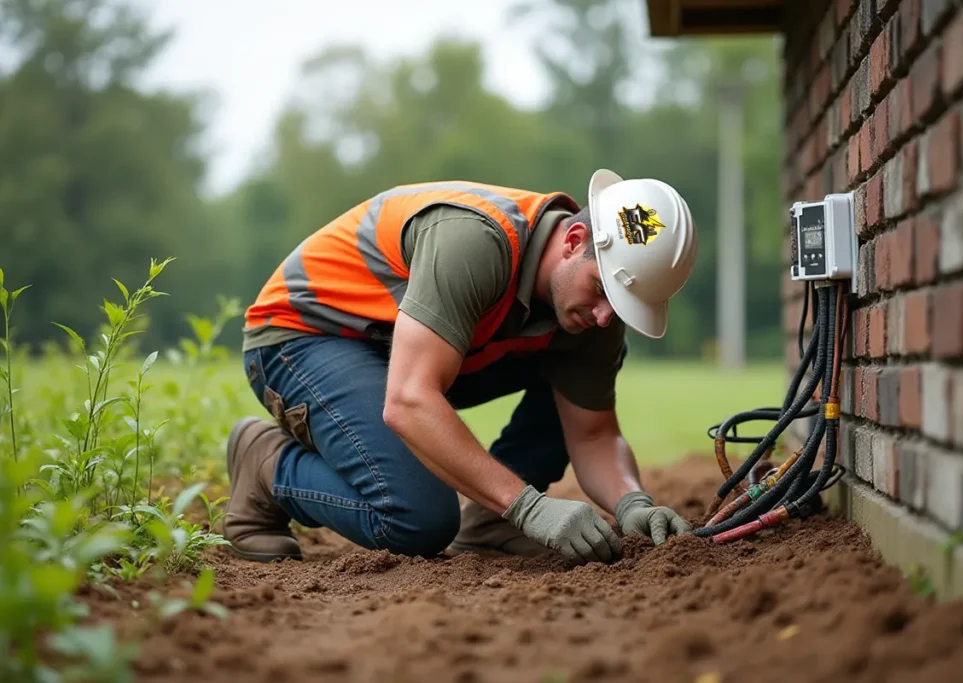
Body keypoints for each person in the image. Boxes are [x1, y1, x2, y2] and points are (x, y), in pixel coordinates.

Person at [224, 168, 699, 566]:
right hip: (305, 334)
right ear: (575, 240)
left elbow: (593, 433)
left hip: (407, 350)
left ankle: (490, 523)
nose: (604, 316)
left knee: (573, 359)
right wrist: (528, 507)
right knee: (417, 520)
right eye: (602, 291)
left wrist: (632, 501)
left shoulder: (590, 310)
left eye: (621, 307)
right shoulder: (476, 241)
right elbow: (411, 400)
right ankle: (266, 462)